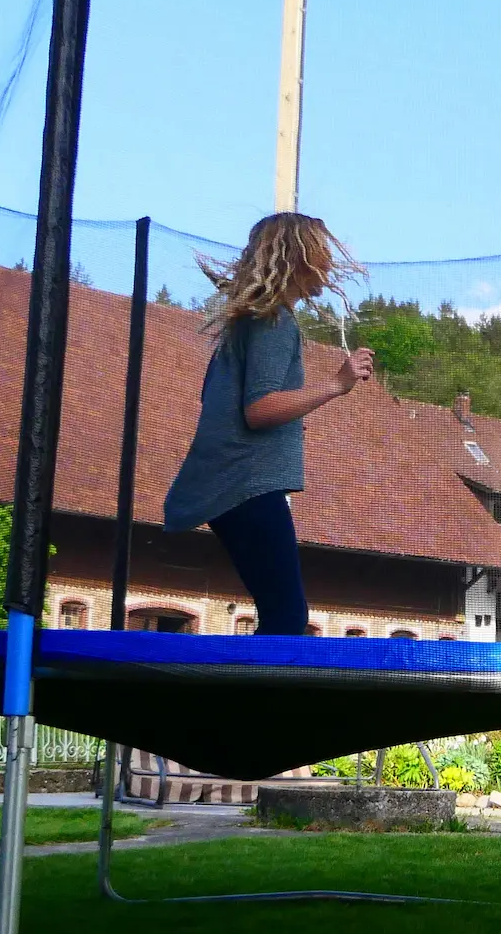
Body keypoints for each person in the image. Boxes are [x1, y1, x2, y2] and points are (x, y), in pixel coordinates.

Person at [161, 213, 376, 637]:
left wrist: (289, 426)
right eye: (322, 254)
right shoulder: (274, 322)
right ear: (300, 258)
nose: (330, 265)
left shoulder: (252, 321)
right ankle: (254, 702)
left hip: (235, 485)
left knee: (281, 613)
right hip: (248, 487)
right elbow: (258, 410)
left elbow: (223, 403)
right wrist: (337, 384)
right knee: (286, 617)